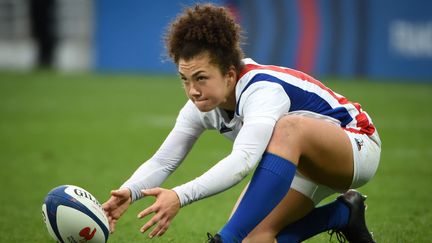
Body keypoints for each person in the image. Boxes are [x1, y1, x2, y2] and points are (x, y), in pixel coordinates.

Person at [102, 4, 381, 243]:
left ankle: (226, 239)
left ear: (229, 74)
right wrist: (130, 191)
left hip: (354, 146)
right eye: (184, 79)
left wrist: (179, 196)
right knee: (254, 236)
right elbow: (163, 161)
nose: (192, 90)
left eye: (201, 78)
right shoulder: (199, 106)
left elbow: (244, 160)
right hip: (298, 163)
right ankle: (345, 215)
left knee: (288, 128)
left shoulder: (262, 90)